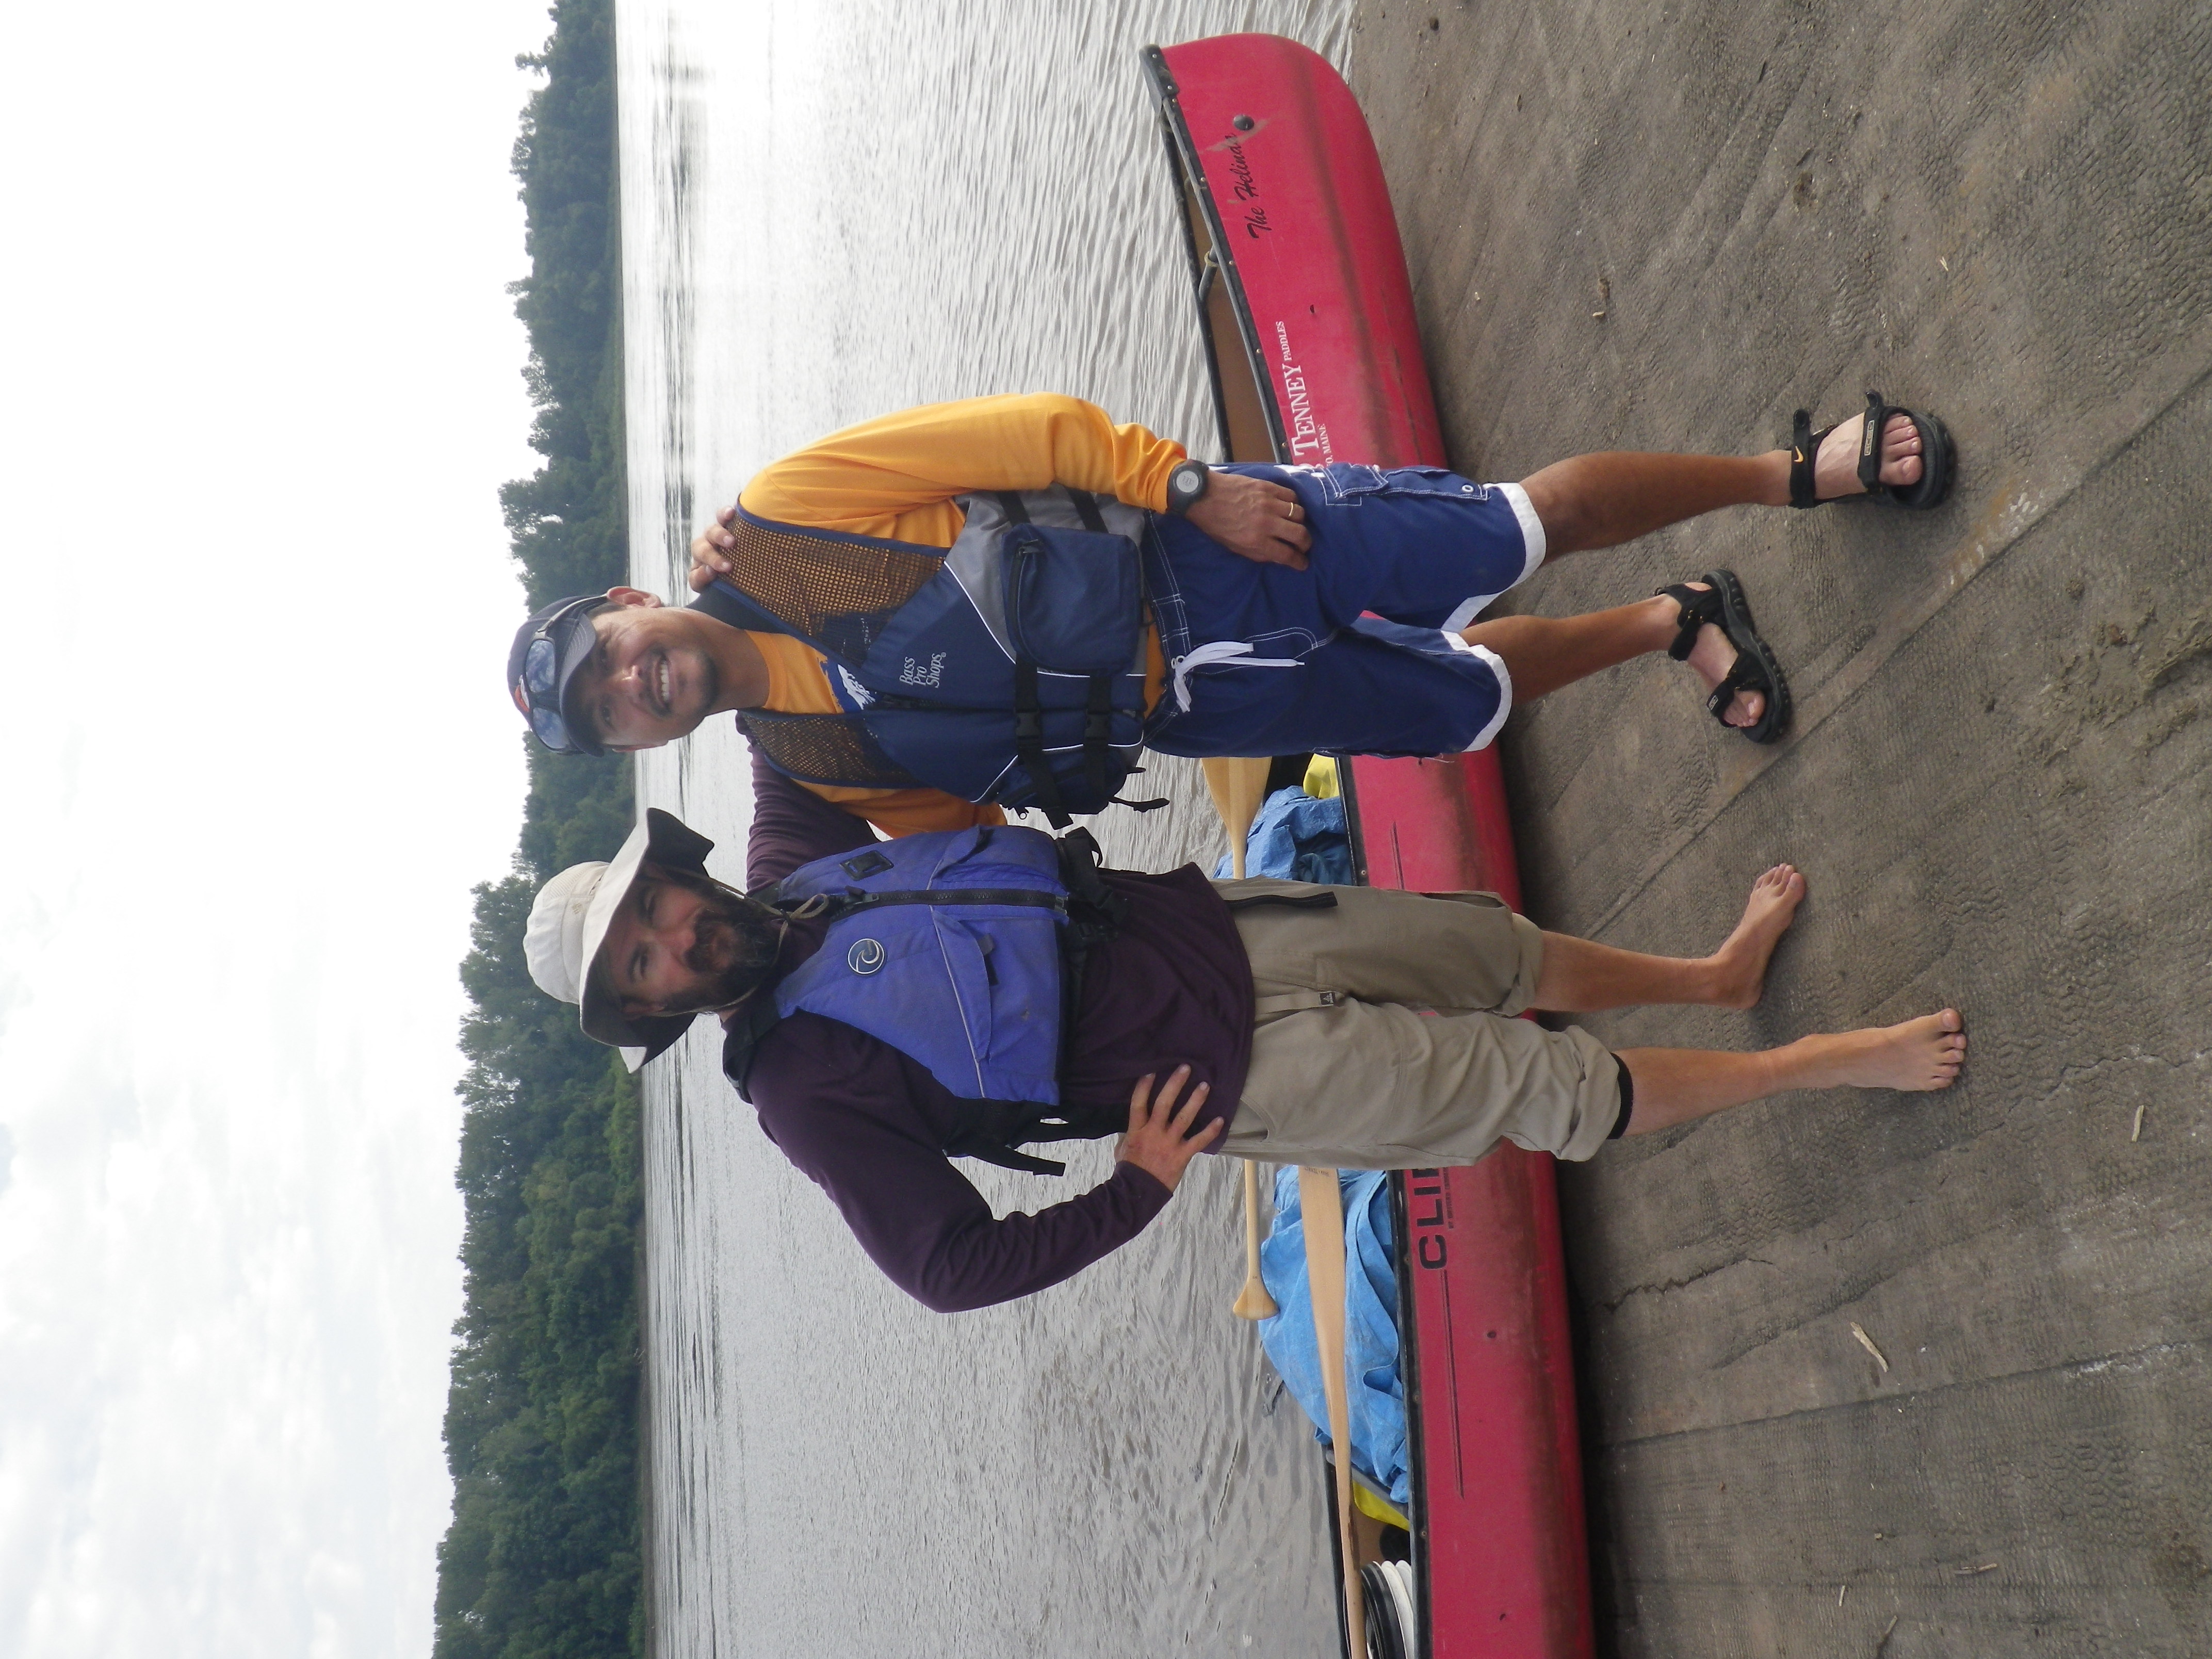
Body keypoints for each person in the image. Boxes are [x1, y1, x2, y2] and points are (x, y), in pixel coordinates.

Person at [521, 762, 1967, 1312]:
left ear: (678, 876)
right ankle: (1827, 1062)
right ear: (649, 1012)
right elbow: (947, 1269)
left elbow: (780, 695)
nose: (672, 942)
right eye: (642, 967)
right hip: (1229, 1081)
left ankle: (1713, 977)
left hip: (1223, 926)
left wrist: (720, 595)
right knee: (1548, 1090)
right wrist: (1137, 1190)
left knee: (1493, 950)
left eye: (653, 910)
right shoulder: (801, 1092)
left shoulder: (796, 862)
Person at [506, 390, 1952, 836]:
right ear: (634, 748)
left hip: (1204, 552)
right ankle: (1672, 621)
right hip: (1193, 712)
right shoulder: (809, 763)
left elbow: (1031, 431)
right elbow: (967, 836)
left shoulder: (784, 510)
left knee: (1517, 528)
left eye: (607, 659)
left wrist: (1191, 487)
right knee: (1466, 704)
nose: (629, 690)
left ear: (632, 603)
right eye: (605, 717)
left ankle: (1793, 474)